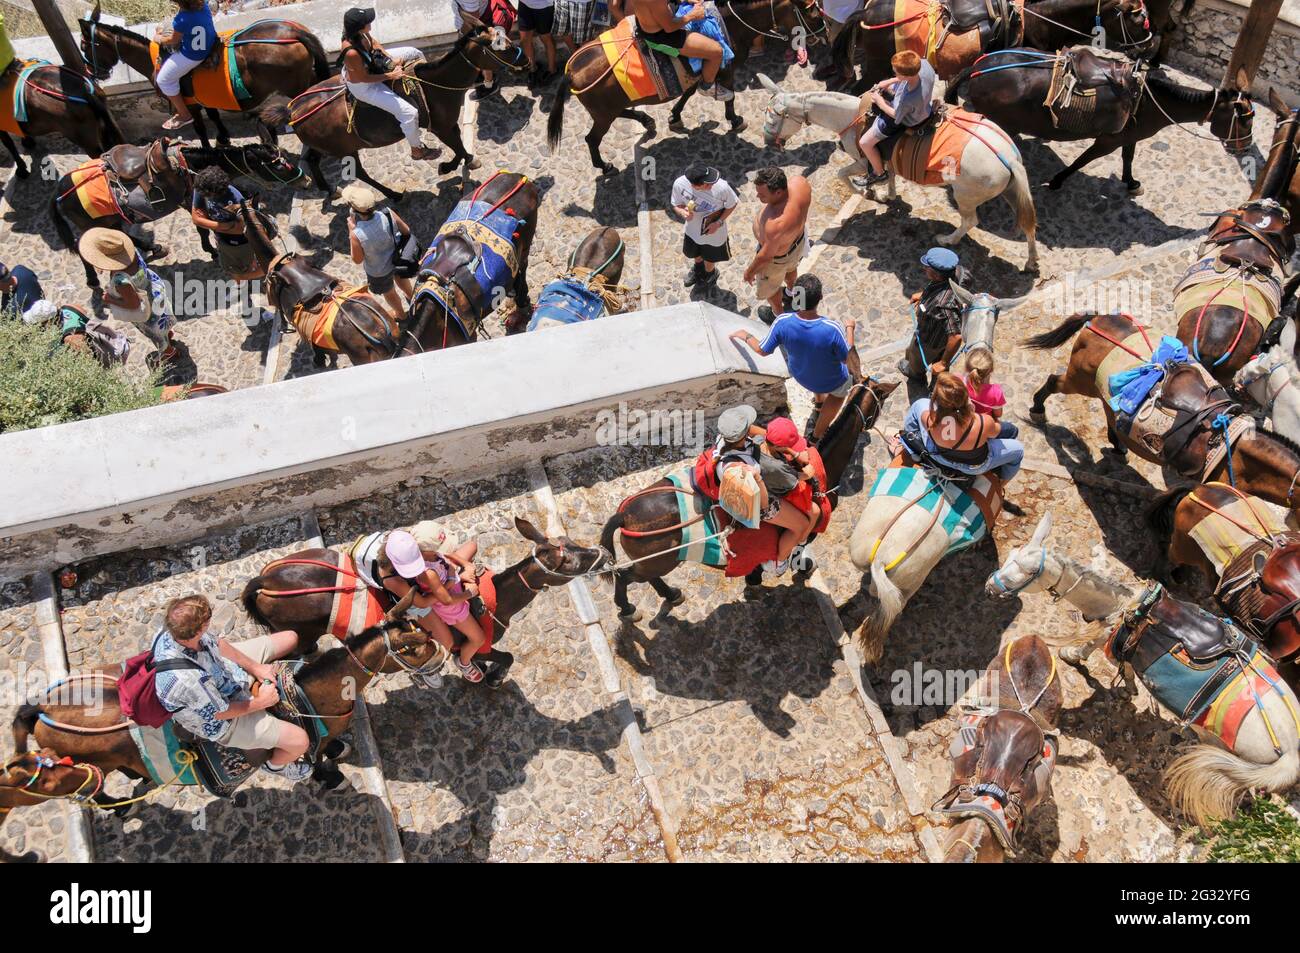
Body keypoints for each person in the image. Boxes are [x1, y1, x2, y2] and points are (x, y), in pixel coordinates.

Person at [151, 594, 313, 781]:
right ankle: (275, 766)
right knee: (300, 741)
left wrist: (255, 667)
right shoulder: (187, 681)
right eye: (208, 622)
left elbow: (217, 644)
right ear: (199, 629)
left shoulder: (174, 631)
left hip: (224, 670)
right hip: (225, 720)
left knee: (290, 638)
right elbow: (219, 713)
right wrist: (262, 701)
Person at [730, 274, 861, 438]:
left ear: (796, 296)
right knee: (840, 392)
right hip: (830, 382)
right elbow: (850, 362)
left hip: (802, 376)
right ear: (820, 297)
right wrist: (850, 329)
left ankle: (819, 403)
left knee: (812, 364)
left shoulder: (782, 321)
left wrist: (746, 335)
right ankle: (816, 436)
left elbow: (762, 350)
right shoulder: (832, 329)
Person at [381, 530, 487, 683]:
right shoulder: (428, 573)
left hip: (448, 582)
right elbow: (447, 600)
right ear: (426, 550)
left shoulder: (432, 555)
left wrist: (463, 567)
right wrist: (469, 593)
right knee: (479, 639)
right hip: (451, 606)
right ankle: (464, 663)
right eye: (440, 547)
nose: (443, 550)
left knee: (472, 545)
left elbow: (447, 559)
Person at [341, 7, 440, 161]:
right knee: (409, 113)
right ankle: (416, 149)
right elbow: (362, 78)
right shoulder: (351, 53)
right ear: (359, 27)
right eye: (367, 21)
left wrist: (390, 59)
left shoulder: (361, 33)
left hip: (374, 64)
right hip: (365, 86)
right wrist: (391, 75)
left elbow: (373, 43)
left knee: (415, 52)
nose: (370, 22)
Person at [900, 371, 1024, 483]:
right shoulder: (982, 422)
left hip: (940, 457)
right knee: (1018, 448)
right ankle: (1002, 483)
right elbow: (999, 431)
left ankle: (911, 440)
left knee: (919, 404)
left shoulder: (928, 418)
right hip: (972, 467)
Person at [78, 228, 177, 367]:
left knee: (155, 331)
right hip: (153, 291)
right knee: (163, 321)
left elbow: (134, 304)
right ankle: (167, 334)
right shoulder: (132, 253)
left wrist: (109, 299)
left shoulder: (120, 280)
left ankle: (168, 350)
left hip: (147, 309)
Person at [853, 50, 937, 189]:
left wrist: (879, 101)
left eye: (896, 73)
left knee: (864, 142)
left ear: (905, 76)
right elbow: (902, 78)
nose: (895, 74)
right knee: (887, 85)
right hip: (923, 105)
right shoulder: (924, 64)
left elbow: (896, 115)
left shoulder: (908, 99)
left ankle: (879, 173)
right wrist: (889, 81)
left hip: (909, 118)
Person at [745, 166, 811, 325]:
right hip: (797, 243)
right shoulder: (800, 183)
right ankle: (791, 292)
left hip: (776, 258)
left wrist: (750, 272)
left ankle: (778, 314)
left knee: (771, 288)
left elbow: (765, 257)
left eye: (762, 195)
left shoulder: (776, 222)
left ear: (778, 192)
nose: (757, 196)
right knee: (791, 268)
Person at [631, 0, 732, 101]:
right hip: (662, 36)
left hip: (664, 14)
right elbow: (669, 27)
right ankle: (706, 86)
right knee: (717, 52)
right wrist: (692, 15)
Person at [343, 182, 415, 323]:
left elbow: (357, 260)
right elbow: (406, 230)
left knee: (389, 293)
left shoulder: (357, 234)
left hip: (378, 271)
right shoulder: (388, 213)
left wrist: (351, 230)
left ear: (354, 210)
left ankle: (401, 315)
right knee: (403, 281)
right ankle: (413, 299)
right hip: (397, 259)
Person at [900, 246, 967, 383]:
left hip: (929, 341)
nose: (924, 268)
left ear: (936, 274)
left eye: (927, 268)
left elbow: (955, 336)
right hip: (939, 335)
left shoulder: (943, 305)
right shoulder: (959, 271)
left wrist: (944, 363)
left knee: (915, 357)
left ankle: (916, 375)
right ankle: (937, 378)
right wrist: (924, 296)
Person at [670, 163, 738, 289]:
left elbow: (732, 204)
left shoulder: (722, 187)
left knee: (710, 257)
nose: (712, 185)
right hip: (692, 230)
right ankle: (698, 269)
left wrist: (718, 223)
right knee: (695, 253)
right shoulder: (679, 184)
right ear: (694, 185)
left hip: (714, 233)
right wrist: (681, 212)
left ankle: (710, 273)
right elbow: (676, 204)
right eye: (707, 184)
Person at [154, 0, 218, 131]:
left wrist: (158, 38)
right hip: (211, 42)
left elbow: (173, 40)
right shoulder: (204, 5)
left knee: (163, 80)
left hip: (194, 55)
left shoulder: (181, 19)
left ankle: (184, 115)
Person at [189, 167, 262, 281]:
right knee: (229, 266)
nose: (204, 196)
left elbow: (241, 229)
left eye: (207, 196)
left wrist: (208, 222)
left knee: (244, 267)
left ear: (214, 193)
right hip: (221, 239)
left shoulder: (236, 200)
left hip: (241, 242)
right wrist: (225, 226)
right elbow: (196, 219)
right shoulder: (202, 185)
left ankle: (243, 280)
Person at [23, 300, 131, 367]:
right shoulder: (69, 307)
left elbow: (88, 358)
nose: (41, 326)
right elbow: (84, 314)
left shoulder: (70, 338)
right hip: (106, 335)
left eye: (41, 324)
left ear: (49, 321)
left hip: (107, 352)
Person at [518, 0, 559, 87]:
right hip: (524, 4)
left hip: (544, 6)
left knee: (546, 38)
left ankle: (552, 69)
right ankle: (533, 69)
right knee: (524, 40)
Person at [964, 349, 1005, 419]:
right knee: (1012, 429)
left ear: (966, 369)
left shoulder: (961, 383)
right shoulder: (996, 392)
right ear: (991, 369)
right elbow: (998, 414)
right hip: (985, 421)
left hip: (967, 417)